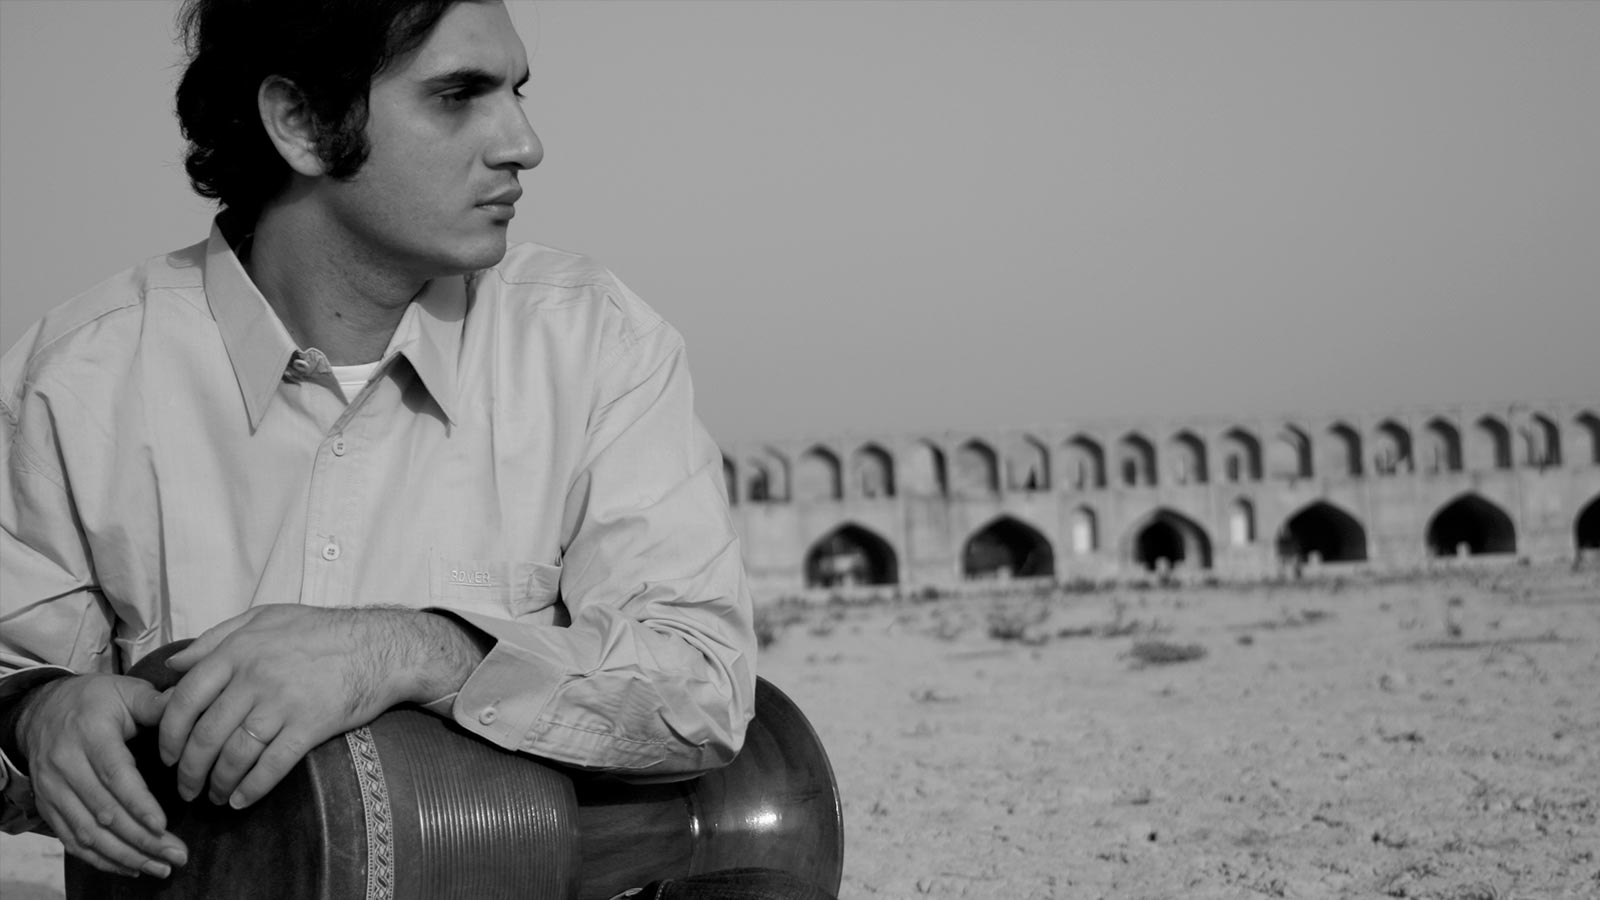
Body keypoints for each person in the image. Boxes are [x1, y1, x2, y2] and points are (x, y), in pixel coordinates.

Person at [0, 2, 832, 897]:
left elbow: (699, 688)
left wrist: (414, 653)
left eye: (516, 91)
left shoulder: (592, 348)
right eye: (458, 95)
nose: (523, 141)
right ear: (303, 124)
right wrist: (38, 716)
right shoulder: (78, 379)